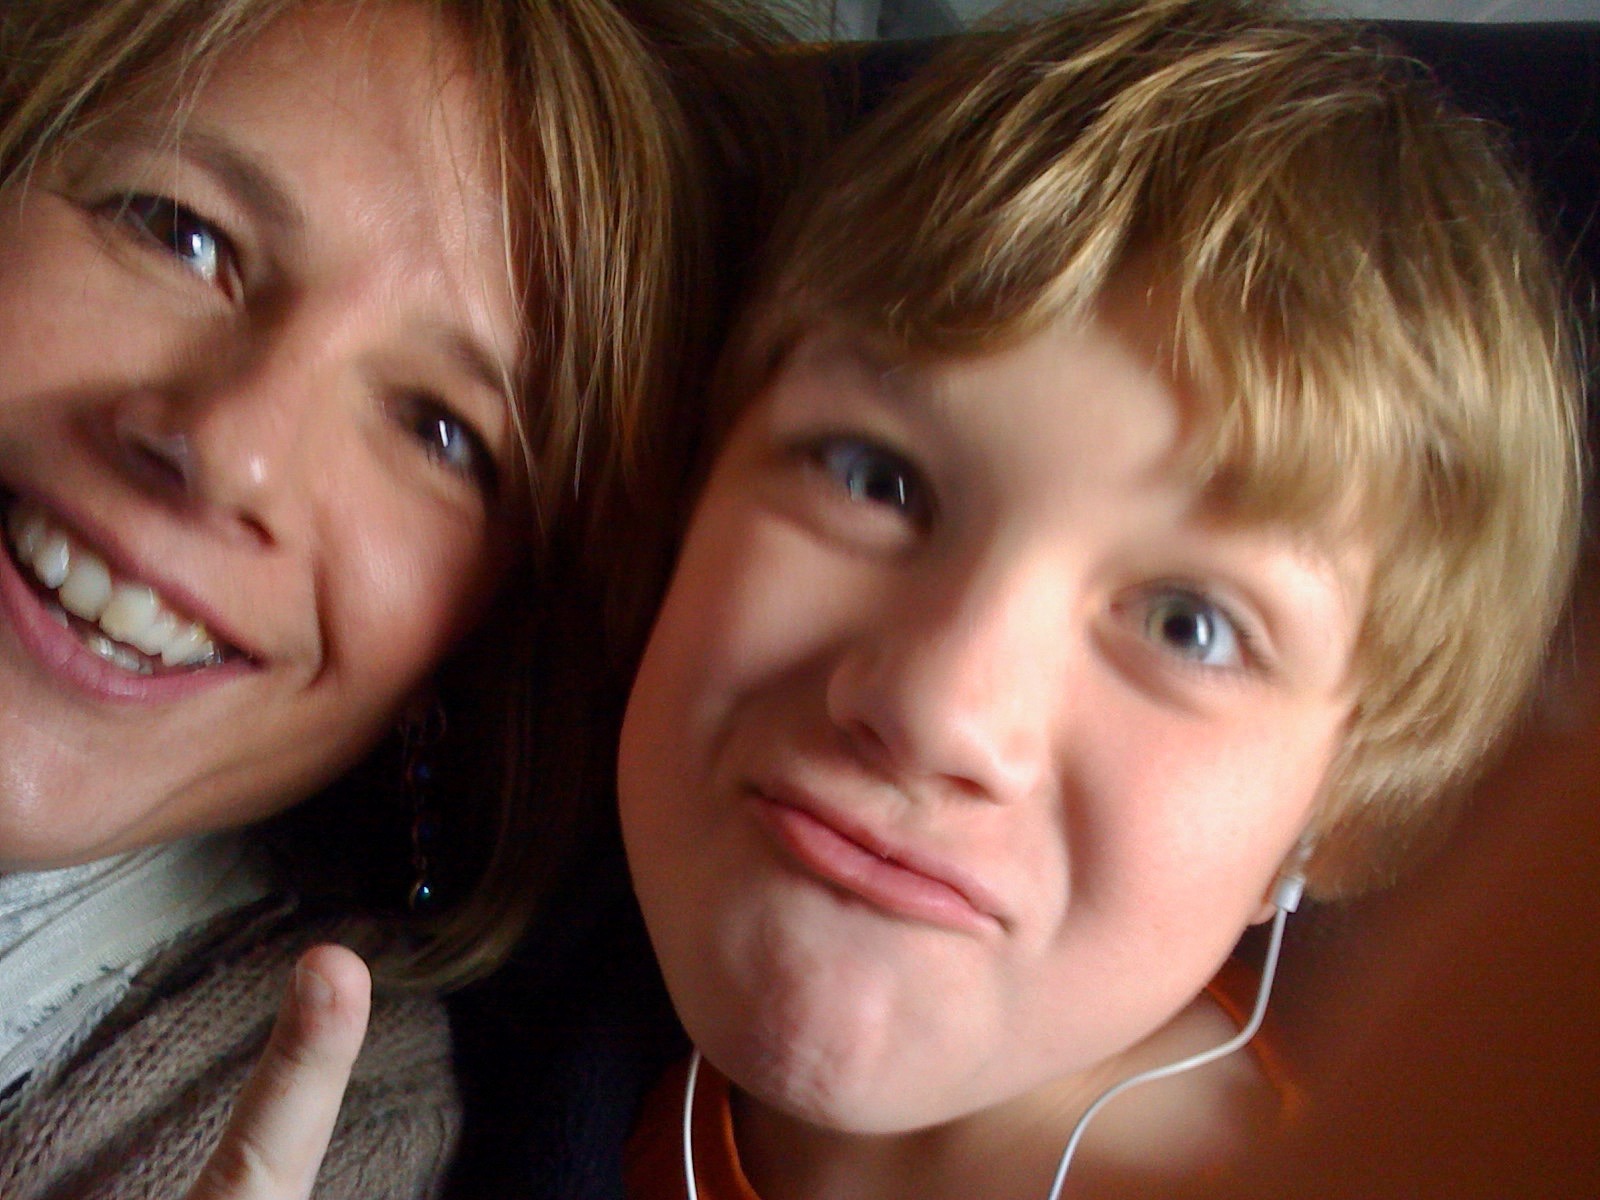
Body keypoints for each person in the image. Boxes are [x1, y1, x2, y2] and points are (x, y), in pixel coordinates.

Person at [613, 1, 1586, 1197]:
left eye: (1189, 626)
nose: (936, 710)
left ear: (1341, 817)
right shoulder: (526, 1053)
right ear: (691, 488)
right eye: (876, 479)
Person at [0, 0, 745, 1193]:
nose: (233, 453)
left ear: (471, 653)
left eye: (439, 431)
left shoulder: (319, 1124)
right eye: (180, 233)